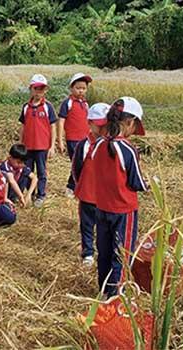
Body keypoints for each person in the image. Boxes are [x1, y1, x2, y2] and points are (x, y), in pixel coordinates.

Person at [90, 97, 148, 296]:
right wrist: (149, 185)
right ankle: (116, 298)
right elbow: (136, 182)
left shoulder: (98, 145)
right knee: (122, 255)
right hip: (124, 210)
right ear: (130, 122)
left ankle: (104, 291)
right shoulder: (128, 149)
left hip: (102, 207)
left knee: (104, 252)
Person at [71, 103, 110, 266]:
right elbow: (76, 168)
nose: (102, 129)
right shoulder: (84, 144)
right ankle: (88, 252)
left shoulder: (112, 144)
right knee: (87, 224)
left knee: (104, 226)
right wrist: (80, 185)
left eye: (105, 125)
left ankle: (105, 251)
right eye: (99, 125)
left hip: (106, 195)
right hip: (87, 193)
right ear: (90, 123)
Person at [19, 74, 57, 207]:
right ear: (31, 89)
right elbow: (23, 126)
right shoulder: (26, 107)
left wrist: (52, 146)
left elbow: (53, 126)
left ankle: (41, 195)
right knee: (27, 171)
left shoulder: (48, 107)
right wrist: (20, 143)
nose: (39, 91)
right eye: (36, 88)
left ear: (45, 90)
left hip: (42, 146)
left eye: (42, 89)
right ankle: (31, 193)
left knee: (41, 171)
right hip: (28, 146)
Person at [58, 73, 93, 198]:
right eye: (78, 88)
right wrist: (60, 140)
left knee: (85, 163)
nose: (81, 91)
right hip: (72, 139)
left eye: (83, 88)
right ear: (71, 88)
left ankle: (79, 186)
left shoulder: (85, 104)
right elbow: (61, 121)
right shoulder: (68, 103)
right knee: (77, 163)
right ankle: (71, 186)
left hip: (85, 139)